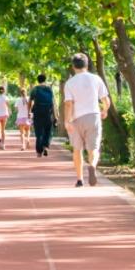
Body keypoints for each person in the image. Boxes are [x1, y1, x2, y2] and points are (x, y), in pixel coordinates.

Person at [62, 52, 108, 187]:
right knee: (93, 148)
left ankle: (80, 179)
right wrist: (104, 110)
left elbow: (69, 103)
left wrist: (67, 121)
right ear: (87, 64)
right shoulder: (96, 79)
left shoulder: (70, 83)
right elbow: (105, 99)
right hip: (93, 116)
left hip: (76, 119)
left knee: (77, 149)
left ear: (73, 66)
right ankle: (92, 165)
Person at [28, 74, 55, 157]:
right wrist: (55, 115)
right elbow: (53, 103)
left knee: (39, 132)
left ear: (38, 80)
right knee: (48, 130)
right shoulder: (49, 89)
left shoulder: (35, 89)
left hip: (38, 113)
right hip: (48, 113)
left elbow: (30, 101)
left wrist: (28, 111)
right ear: (45, 80)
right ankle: (46, 147)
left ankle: (39, 152)